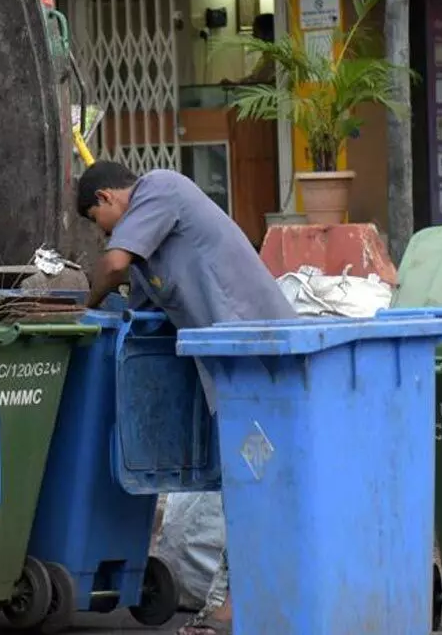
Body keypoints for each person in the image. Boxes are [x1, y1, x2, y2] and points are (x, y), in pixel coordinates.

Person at [78, 161, 296, 635]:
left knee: (258, 481)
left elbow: (112, 265)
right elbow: (138, 311)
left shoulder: (161, 188)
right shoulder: (150, 256)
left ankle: (239, 606)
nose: (104, 237)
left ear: (105, 200)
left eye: (97, 223)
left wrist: (81, 307)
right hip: (230, 374)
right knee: (248, 481)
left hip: (262, 360)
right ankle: (240, 603)